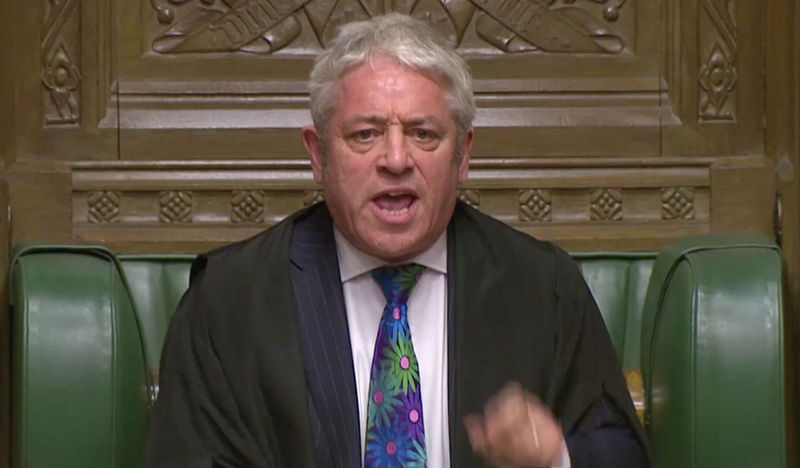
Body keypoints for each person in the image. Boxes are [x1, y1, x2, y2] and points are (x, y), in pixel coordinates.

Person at [145, 13, 650, 468]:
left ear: (464, 156)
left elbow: (621, 453)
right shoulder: (229, 303)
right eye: (365, 134)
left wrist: (556, 457)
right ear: (318, 155)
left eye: (423, 134)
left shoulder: (543, 288)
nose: (395, 159)